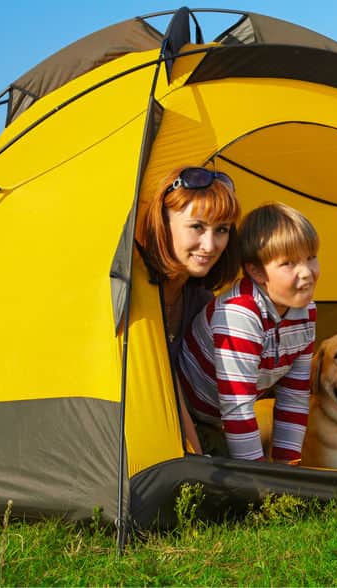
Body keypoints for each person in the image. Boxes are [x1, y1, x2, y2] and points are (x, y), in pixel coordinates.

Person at [178, 202, 319, 463]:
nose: (307, 272)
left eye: (311, 257)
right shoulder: (240, 314)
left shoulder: (305, 310)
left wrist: (287, 469)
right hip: (189, 416)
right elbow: (238, 409)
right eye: (289, 263)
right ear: (256, 271)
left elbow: (295, 397)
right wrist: (257, 484)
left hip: (224, 414)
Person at [137, 165, 243, 455]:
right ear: (163, 221)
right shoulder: (134, 291)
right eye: (197, 227)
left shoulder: (200, 299)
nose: (210, 245)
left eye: (221, 230)